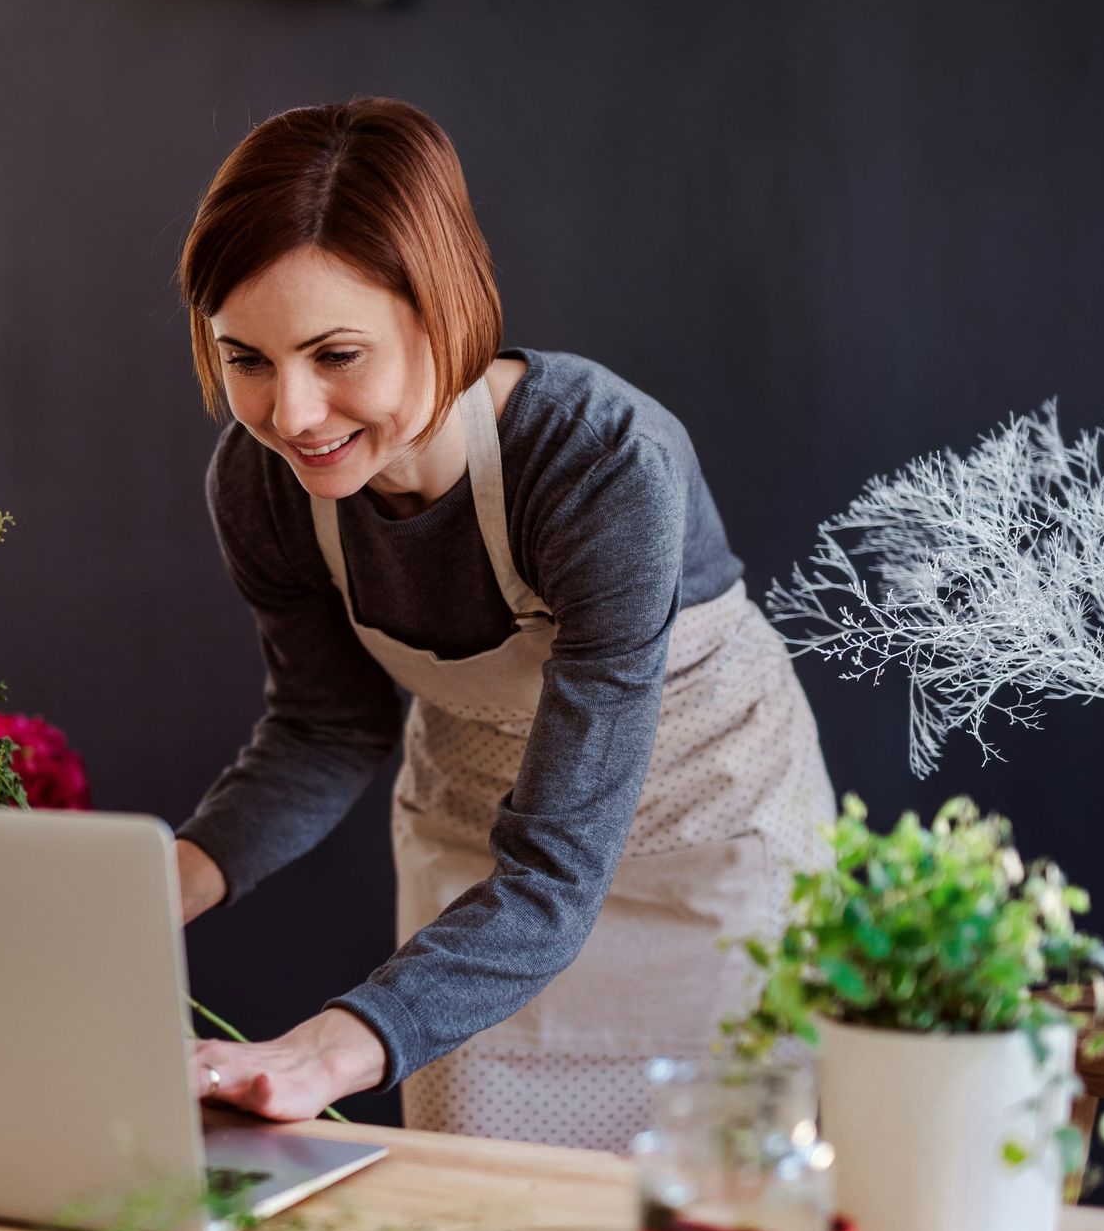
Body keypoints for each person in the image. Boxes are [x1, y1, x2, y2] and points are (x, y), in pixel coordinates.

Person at [172, 96, 832, 1153]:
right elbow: (324, 728)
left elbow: (558, 872)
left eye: (336, 354)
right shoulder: (262, 487)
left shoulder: (599, 465)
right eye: (245, 358)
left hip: (707, 845)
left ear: (444, 313)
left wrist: (325, 1052)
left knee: (706, 1222)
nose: (291, 414)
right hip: (478, 868)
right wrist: (140, 899)